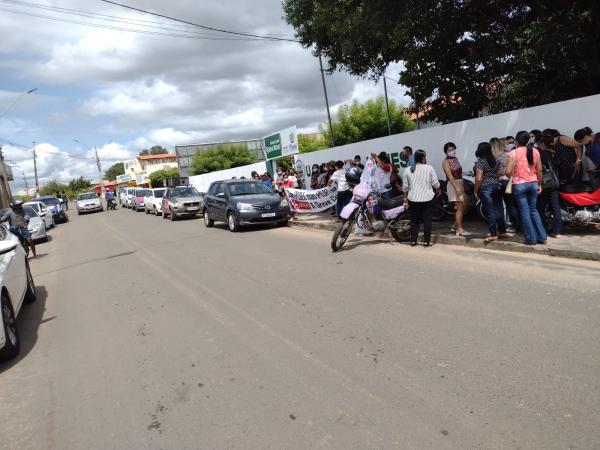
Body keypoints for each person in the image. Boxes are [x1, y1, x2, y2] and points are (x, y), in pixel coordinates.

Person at [506, 131, 547, 245]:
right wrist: (539, 184)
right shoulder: (535, 151)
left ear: (516, 141)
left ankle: (531, 238)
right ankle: (542, 237)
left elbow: (508, 172)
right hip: (533, 183)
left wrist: (513, 175)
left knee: (524, 212)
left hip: (519, 185)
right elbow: (539, 170)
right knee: (533, 210)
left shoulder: (513, 153)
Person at [402, 149, 440, 247]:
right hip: (427, 198)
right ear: (423, 158)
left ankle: (413, 241)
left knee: (414, 220)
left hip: (413, 198)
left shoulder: (408, 169)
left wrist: (405, 198)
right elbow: (436, 183)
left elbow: (405, 187)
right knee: (427, 220)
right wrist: (438, 191)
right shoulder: (429, 168)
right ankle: (426, 241)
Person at [474, 142, 507, 242]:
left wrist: (475, 190)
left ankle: (493, 234)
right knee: (499, 209)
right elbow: (497, 173)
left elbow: (479, 179)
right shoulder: (494, 160)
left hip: (486, 187)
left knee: (490, 211)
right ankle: (502, 231)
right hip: (496, 186)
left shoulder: (480, 162)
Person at [441, 142, 470, 236]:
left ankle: (455, 225)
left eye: (453, 149)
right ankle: (459, 229)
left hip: (460, 182)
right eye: (449, 150)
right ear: (445, 152)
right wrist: (457, 187)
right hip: (453, 184)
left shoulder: (456, 159)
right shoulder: (445, 161)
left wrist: (465, 175)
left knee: (465, 204)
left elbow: (459, 172)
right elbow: (450, 175)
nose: (452, 151)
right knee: (460, 207)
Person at [537, 135, 562, 238]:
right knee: (555, 207)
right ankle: (557, 232)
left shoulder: (541, 153)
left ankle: (544, 228)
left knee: (540, 206)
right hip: (556, 181)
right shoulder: (556, 152)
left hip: (546, 181)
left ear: (543, 144)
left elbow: (539, 169)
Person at [495, 139, 521, 233]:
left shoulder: (500, 157)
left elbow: (498, 171)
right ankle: (518, 226)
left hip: (503, 182)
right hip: (512, 182)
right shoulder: (514, 155)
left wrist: (498, 173)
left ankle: (502, 227)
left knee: (500, 206)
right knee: (511, 205)